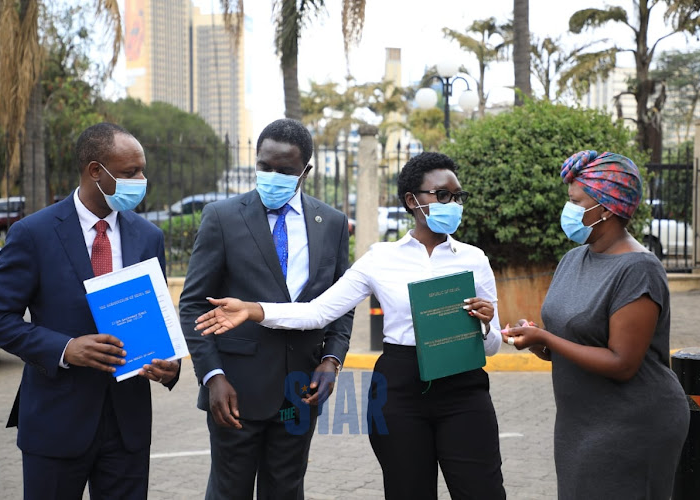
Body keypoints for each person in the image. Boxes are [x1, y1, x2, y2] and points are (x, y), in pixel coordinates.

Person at [195, 152, 507, 500]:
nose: (453, 204)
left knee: (483, 491)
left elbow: (492, 346)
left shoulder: (474, 259)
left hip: (464, 390)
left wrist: (486, 324)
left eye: (457, 196)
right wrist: (254, 310)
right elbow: (317, 312)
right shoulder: (381, 258)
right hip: (401, 390)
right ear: (412, 200)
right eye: (443, 195)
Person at [0, 122, 181, 500]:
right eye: (130, 172)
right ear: (95, 172)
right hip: (56, 422)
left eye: (142, 170)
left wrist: (170, 366)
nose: (141, 179)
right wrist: (65, 349)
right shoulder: (33, 233)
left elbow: (156, 316)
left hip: (127, 427)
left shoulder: (148, 236)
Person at [178, 118, 354, 500]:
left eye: (284, 170)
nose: (272, 176)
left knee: (287, 491)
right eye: (264, 167)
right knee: (230, 492)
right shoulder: (222, 217)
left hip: (300, 392)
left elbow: (342, 303)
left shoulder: (333, 223)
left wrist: (331, 361)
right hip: (234, 393)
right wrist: (212, 376)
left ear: (305, 171)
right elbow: (193, 303)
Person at [501, 150, 689, 499]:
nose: (568, 209)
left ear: (605, 208)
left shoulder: (638, 269)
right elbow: (570, 342)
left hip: (632, 424)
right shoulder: (574, 259)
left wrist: (546, 338)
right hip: (578, 424)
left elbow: (622, 364)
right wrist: (537, 340)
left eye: (576, 201)